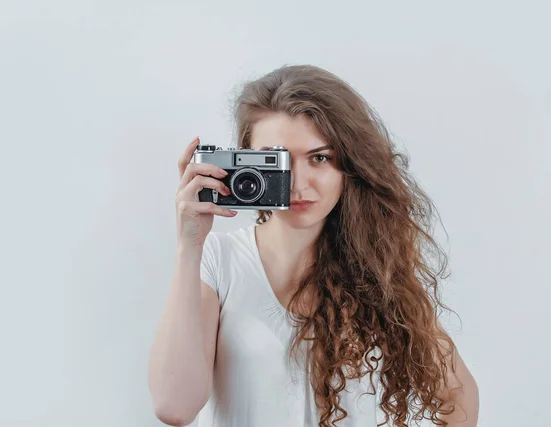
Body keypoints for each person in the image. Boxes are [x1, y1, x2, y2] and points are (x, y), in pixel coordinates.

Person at [148, 64, 479, 427]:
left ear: (349, 166)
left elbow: (458, 395)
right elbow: (174, 407)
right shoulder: (217, 260)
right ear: (246, 162)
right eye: (277, 161)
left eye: (319, 158)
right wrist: (188, 246)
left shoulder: (378, 270)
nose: (298, 185)